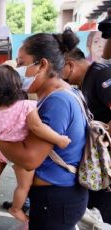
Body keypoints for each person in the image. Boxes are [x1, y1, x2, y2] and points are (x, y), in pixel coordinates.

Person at [0, 30, 88, 229]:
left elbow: (29, 159)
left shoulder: (57, 101)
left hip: (55, 199)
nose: (16, 70)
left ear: (42, 65)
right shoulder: (61, 94)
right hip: (57, 196)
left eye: (20, 63)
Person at [0, 65, 71, 222]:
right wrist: (59, 139)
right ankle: (15, 209)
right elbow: (38, 128)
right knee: (23, 186)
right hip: (19, 155)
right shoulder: (26, 106)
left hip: (3, 152)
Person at [62, 44, 111, 223]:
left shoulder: (101, 75)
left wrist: (102, 150)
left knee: (103, 218)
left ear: (70, 65)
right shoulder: (84, 82)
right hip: (96, 164)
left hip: (105, 163)